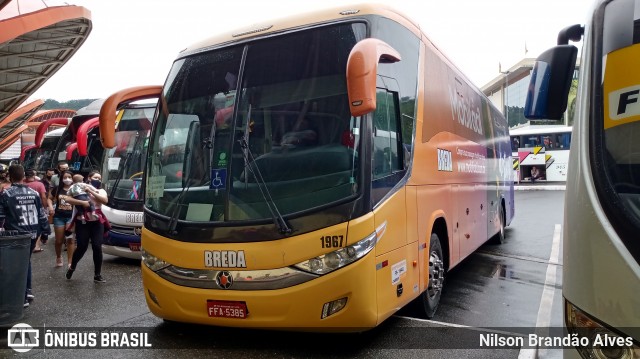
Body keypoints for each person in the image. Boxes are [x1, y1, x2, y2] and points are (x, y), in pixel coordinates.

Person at [0, 164, 49, 308]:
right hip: (33, 233)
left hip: (16, 234)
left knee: (15, 264)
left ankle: (21, 297)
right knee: (26, 261)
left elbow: (1, 216)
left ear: (10, 176)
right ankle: (27, 291)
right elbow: (41, 214)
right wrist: (45, 231)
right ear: (23, 177)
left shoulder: (6, 194)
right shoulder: (33, 193)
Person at [65, 171, 109, 283]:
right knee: (82, 247)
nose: (97, 180)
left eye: (99, 178)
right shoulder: (78, 187)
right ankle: (72, 267)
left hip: (97, 222)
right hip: (82, 222)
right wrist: (82, 202)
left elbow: (104, 200)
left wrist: (90, 191)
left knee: (97, 246)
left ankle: (97, 275)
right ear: (89, 178)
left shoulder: (100, 190)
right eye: (95, 178)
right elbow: (67, 199)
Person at [50, 170, 76, 268]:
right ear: (61, 179)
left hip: (71, 217)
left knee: (70, 240)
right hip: (59, 217)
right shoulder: (57, 189)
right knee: (59, 241)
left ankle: (70, 262)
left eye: (69, 177)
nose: (67, 179)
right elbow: (49, 198)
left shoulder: (76, 189)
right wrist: (51, 207)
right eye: (65, 177)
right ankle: (59, 256)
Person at [24, 169, 51, 252]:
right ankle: (36, 246)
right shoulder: (39, 184)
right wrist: (45, 207)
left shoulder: (22, 183)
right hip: (37, 207)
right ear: (33, 175)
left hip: (24, 207)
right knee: (37, 225)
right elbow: (43, 197)